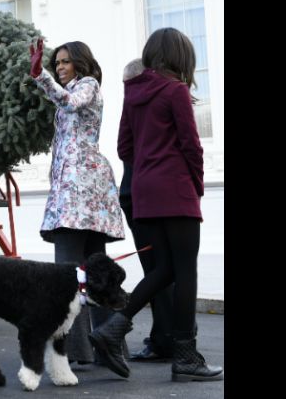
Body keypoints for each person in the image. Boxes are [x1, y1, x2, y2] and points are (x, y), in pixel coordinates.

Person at [89, 27, 223, 381]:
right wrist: (194, 184)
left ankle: (112, 329)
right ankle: (186, 357)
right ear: (181, 57)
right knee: (185, 273)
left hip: (145, 191)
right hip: (175, 190)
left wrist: (149, 165)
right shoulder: (176, 90)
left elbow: (124, 148)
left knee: (163, 270)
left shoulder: (133, 93)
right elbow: (191, 146)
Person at [27, 39, 126, 365]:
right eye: (57, 63)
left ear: (81, 63)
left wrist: (41, 76)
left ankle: (85, 350)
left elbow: (69, 103)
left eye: (65, 62)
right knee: (87, 272)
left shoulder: (88, 86)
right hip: (77, 192)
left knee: (73, 274)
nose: (60, 67)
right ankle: (93, 349)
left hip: (82, 192)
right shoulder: (77, 90)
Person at [120, 58, 189, 362]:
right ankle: (170, 338)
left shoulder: (138, 105)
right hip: (158, 195)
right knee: (168, 271)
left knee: (159, 271)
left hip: (140, 195)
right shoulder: (167, 97)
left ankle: (166, 338)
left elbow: (125, 149)